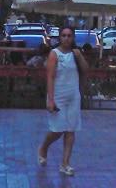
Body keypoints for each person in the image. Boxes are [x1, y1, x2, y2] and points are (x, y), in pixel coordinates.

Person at [38, 25, 88, 176]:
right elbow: (50, 77)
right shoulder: (54, 54)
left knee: (70, 130)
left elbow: (85, 70)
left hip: (73, 96)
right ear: (60, 37)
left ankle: (65, 163)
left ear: (73, 38)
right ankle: (43, 147)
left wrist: (79, 56)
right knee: (57, 130)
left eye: (69, 36)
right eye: (64, 35)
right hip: (58, 96)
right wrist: (50, 100)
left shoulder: (76, 53)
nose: (66, 38)